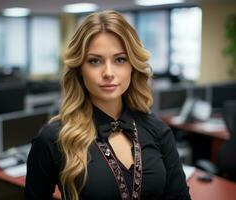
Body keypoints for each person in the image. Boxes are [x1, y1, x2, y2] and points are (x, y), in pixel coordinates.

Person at [25, 10, 191, 200]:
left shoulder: (157, 129)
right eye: (95, 61)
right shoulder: (53, 139)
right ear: (80, 69)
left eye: (120, 59)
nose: (108, 72)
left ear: (132, 65)